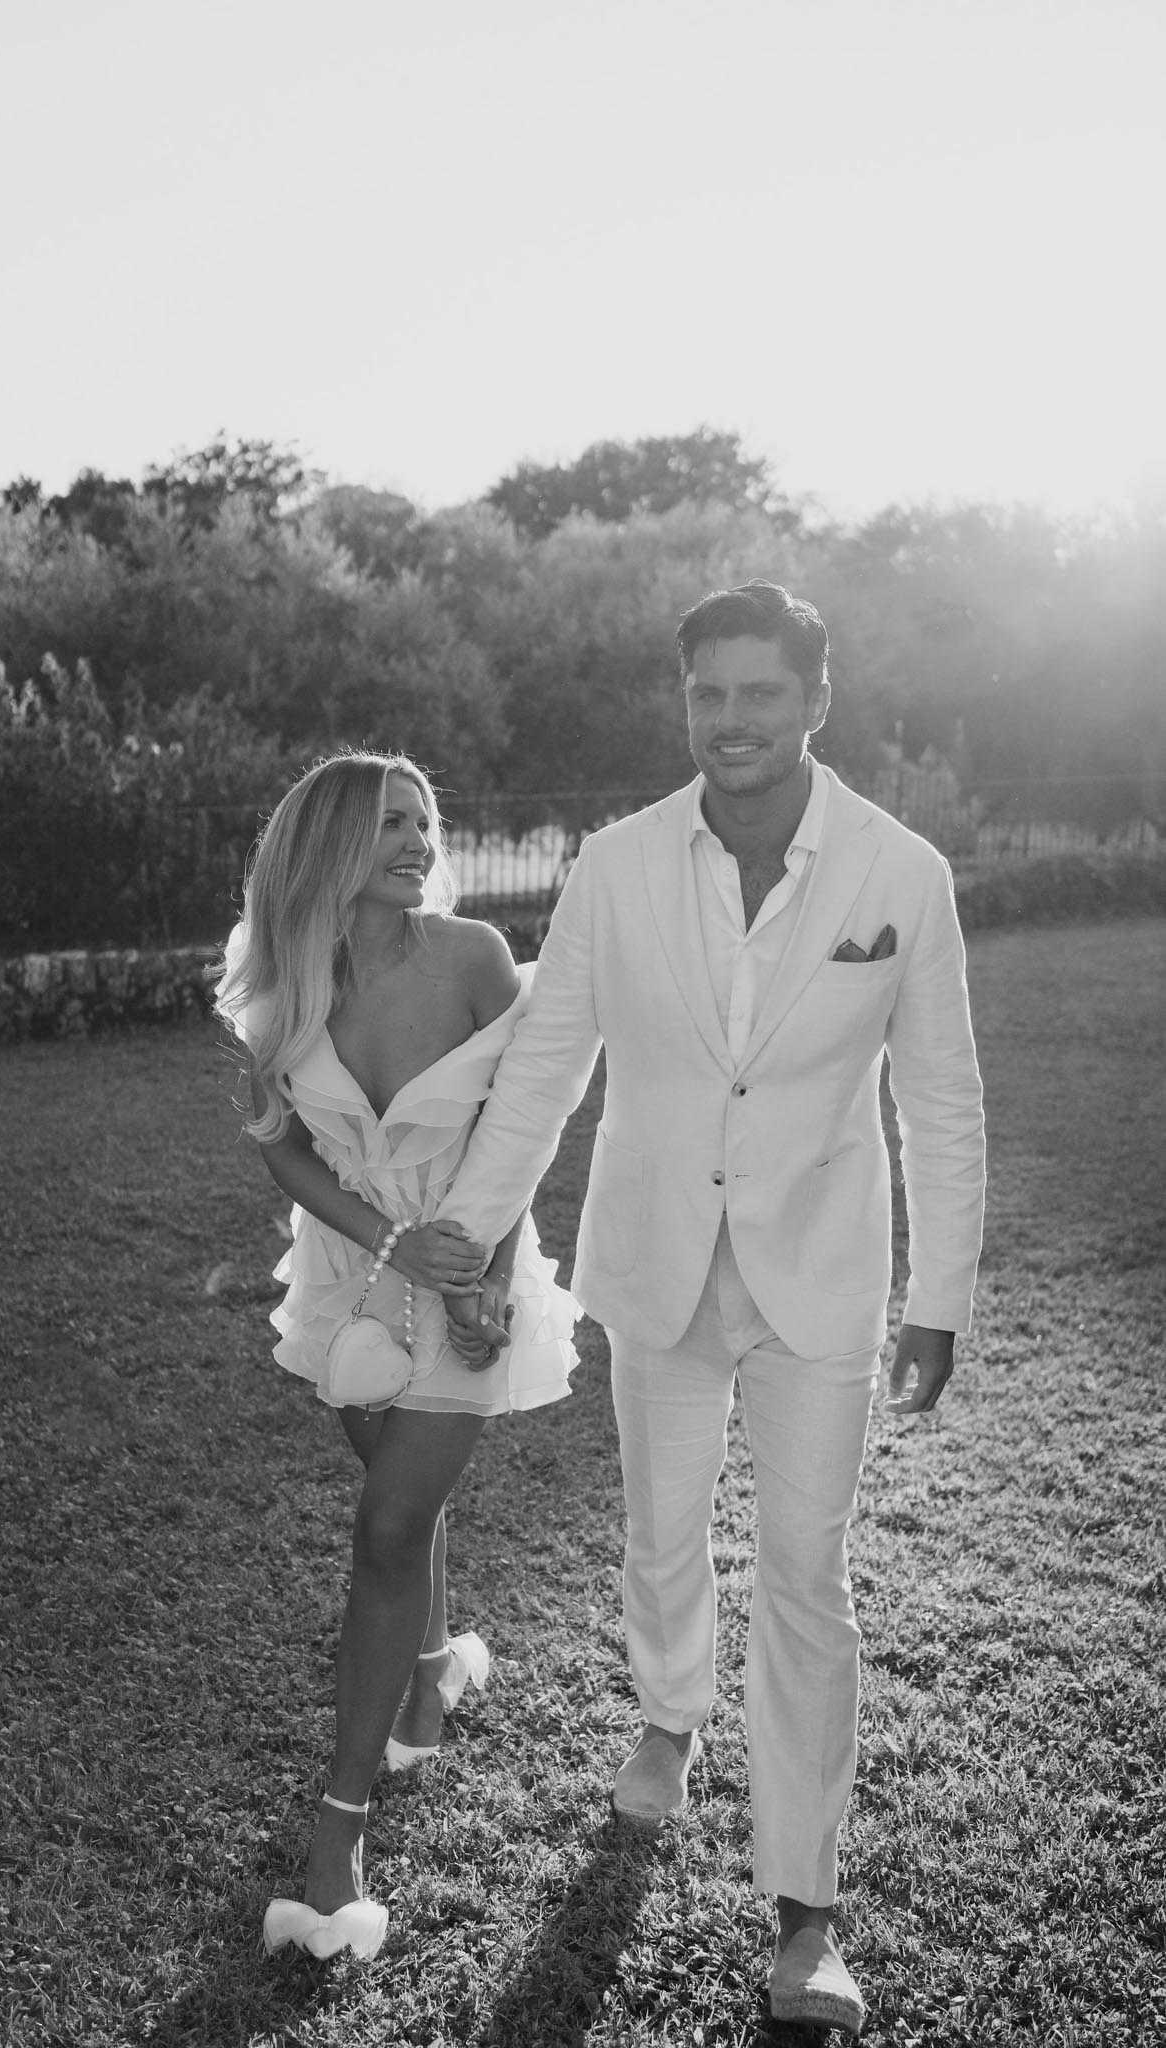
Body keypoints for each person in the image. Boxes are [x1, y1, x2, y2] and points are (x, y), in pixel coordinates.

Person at [442, 580, 985, 2034]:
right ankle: (671, 1714)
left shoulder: (900, 871)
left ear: (817, 700)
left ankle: (805, 1914)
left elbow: (938, 1094)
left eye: (760, 692)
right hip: (657, 1266)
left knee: (809, 1576)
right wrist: (464, 1239)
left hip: (823, 1277)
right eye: (707, 694)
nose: (730, 721)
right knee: (660, 1530)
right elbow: (547, 1067)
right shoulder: (614, 866)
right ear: (684, 705)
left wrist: (939, 1293)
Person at [214, 749, 578, 1962]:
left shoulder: (474, 956)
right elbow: (281, 1143)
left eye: (426, 821)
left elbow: (521, 1122)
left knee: (382, 1526)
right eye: (389, 824)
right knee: (394, 1495)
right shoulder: (285, 981)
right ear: (326, 847)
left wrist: (478, 1268)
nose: (419, 840)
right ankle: (431, 1672)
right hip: (350, 1284)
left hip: (472, 1271)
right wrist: (383, 1241)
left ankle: (337, 1842)